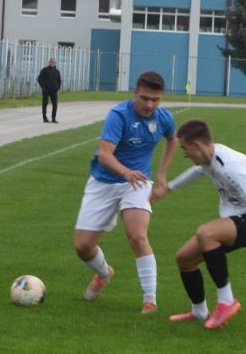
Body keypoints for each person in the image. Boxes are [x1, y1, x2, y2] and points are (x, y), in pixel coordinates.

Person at [151, 119, 246, 330]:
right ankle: (199, 311)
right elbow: (198, 171)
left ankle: (226, 302)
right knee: (184, 258)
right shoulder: (210, 158)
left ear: (196, 145)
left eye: (184, 148)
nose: (184, 154)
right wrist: (168, 188)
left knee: (206, 233)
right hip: (239, 218)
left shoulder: (232, 168)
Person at [73, 71, 176, 314]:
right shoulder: (118, 115)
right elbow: (104, 154)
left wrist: (162, 174)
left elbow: (172, 140)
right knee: (83, 246)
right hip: (103, 182)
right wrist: (125, 172)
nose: (149, 104)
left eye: (155, 100)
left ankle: (150, 300)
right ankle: (104, 273)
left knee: (137, 236)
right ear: (135, 93)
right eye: (144, 98)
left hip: (137, 183)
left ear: (161, 98)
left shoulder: (164, 118)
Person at [37, 57, 62, 123]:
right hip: (46, 90)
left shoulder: (57, 71)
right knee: (45, 103)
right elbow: (39, 78)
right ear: (49, 62)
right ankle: (45, 118)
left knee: (55, 104)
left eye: (54, 62)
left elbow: (59, 81)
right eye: (51, 62)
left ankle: (53, 118)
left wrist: (58, 87)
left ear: (55, 63)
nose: (53, 63)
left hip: (54, 90)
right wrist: (43, 86)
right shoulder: (45, 70)